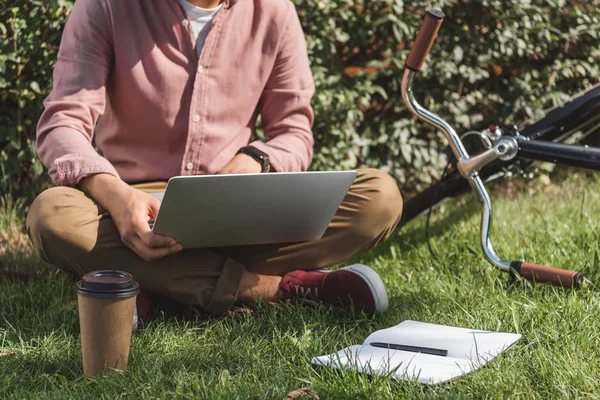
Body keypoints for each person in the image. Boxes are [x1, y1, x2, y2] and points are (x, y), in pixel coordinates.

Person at [26, 0, 403, 319]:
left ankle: (158, 286)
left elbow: (294, 131)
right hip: (134, 212)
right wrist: (116, 196)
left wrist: (253, 160)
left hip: (239, 205)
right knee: (52, 215)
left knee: (378, 198)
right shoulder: (105, 6)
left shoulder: (274, 11)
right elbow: (63, 123)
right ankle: (272, 289)